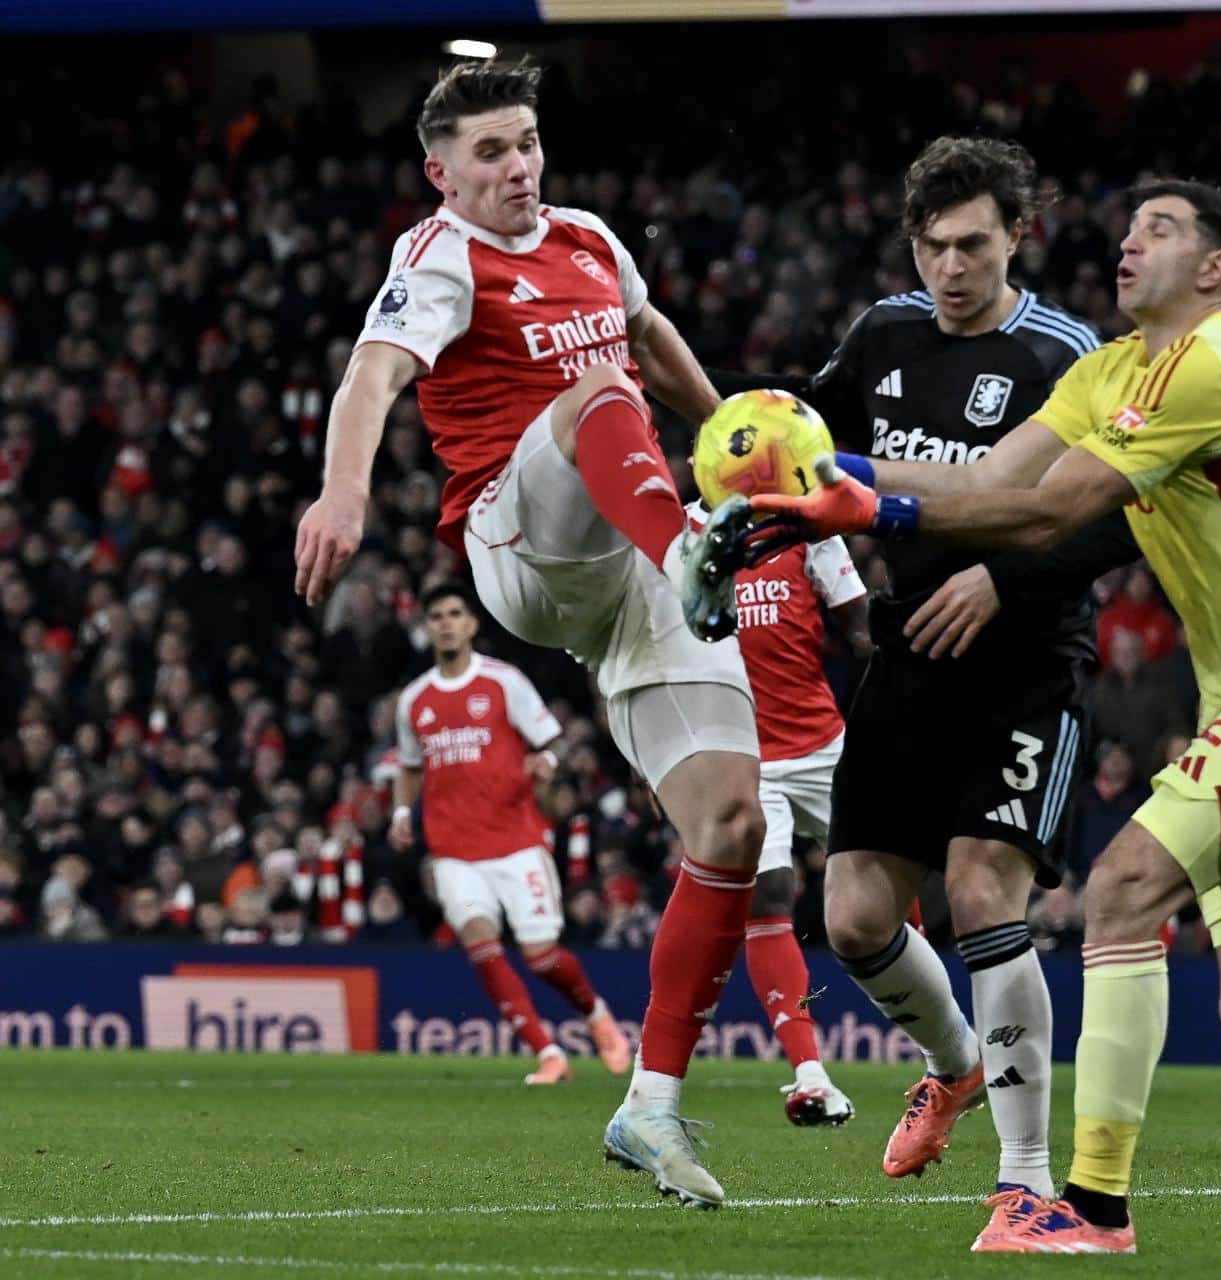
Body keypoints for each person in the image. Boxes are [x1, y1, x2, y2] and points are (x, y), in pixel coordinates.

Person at [720, 179, 1221, 1255]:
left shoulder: (1212, 367)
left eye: (1160, 229)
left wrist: (867, 499)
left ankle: (1092, 1206)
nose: (1129, 241)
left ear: (1216, 267)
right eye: (1129, 226)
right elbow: (992, 476)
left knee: (1120, 892)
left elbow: (1047, 511)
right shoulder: (1111, 369)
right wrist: (829, 480)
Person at [293, 58, 764, 1207]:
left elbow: (652, 335)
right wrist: (344, 492)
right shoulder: (438, 257)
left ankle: (649, 1105)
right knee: (600, 392)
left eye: (528, 143)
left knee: (734, 823)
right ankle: (691, 551)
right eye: (491, 151)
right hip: (519, 540)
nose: (518, 167)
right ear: (440, 172)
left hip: (635, 561)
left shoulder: (592, 237)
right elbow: (371, 376)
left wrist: (740, 440)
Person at [705, 136, 1136, 1231]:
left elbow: (1121, 517)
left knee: (985, 891)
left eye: (974, 245)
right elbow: (809, 455)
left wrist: (1004, 577)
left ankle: (1027, 1180)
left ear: (1018, 236)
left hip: (1028, 660)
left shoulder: (1068, 356)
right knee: (854, 919)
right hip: (910, 654)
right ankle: (954, 1065)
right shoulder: (884, 334)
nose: (952, 267)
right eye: (934, 245)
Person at [391, 583, 631, 1085]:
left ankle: (595, 1013)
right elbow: (410, 768)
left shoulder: (504, 682)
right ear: (427, 627)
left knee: (541, 957)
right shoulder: (414, 700)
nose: (445, 623)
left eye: (454, 614)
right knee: (480, 941)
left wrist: (547, 762)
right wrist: (401, 813)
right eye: (436, 616)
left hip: (516, 841)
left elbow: (553, 742)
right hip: (453, 849)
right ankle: (548, 1054)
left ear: (471, 624)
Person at [684, 497, 867, 1125]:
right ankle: (810, 1074)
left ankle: (941, 1050)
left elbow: (861, 627)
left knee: (885, 880)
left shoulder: (805, 527)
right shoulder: (679, 534)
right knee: (768, 893)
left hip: (823, 746)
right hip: (742, 755)